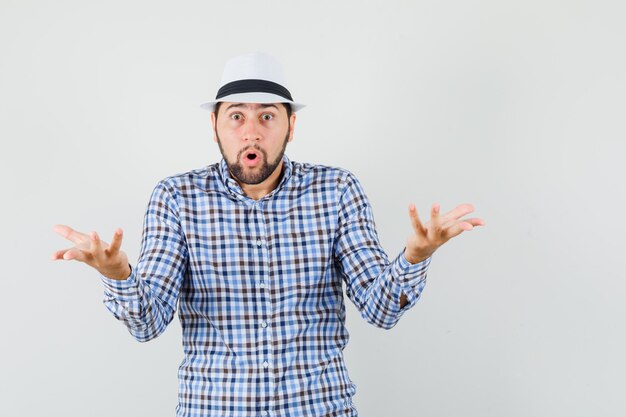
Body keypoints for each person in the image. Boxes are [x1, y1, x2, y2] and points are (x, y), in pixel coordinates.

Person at [52, 52, 485, 417]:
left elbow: (381, 310)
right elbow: (147, 324)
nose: (251, 130)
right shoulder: (176, 198)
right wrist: (118, 273)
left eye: (267, 116)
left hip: (319, 406)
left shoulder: (336, 190)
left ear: (291, 126)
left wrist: (415, 256)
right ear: (216, 126)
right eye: (236, 116)